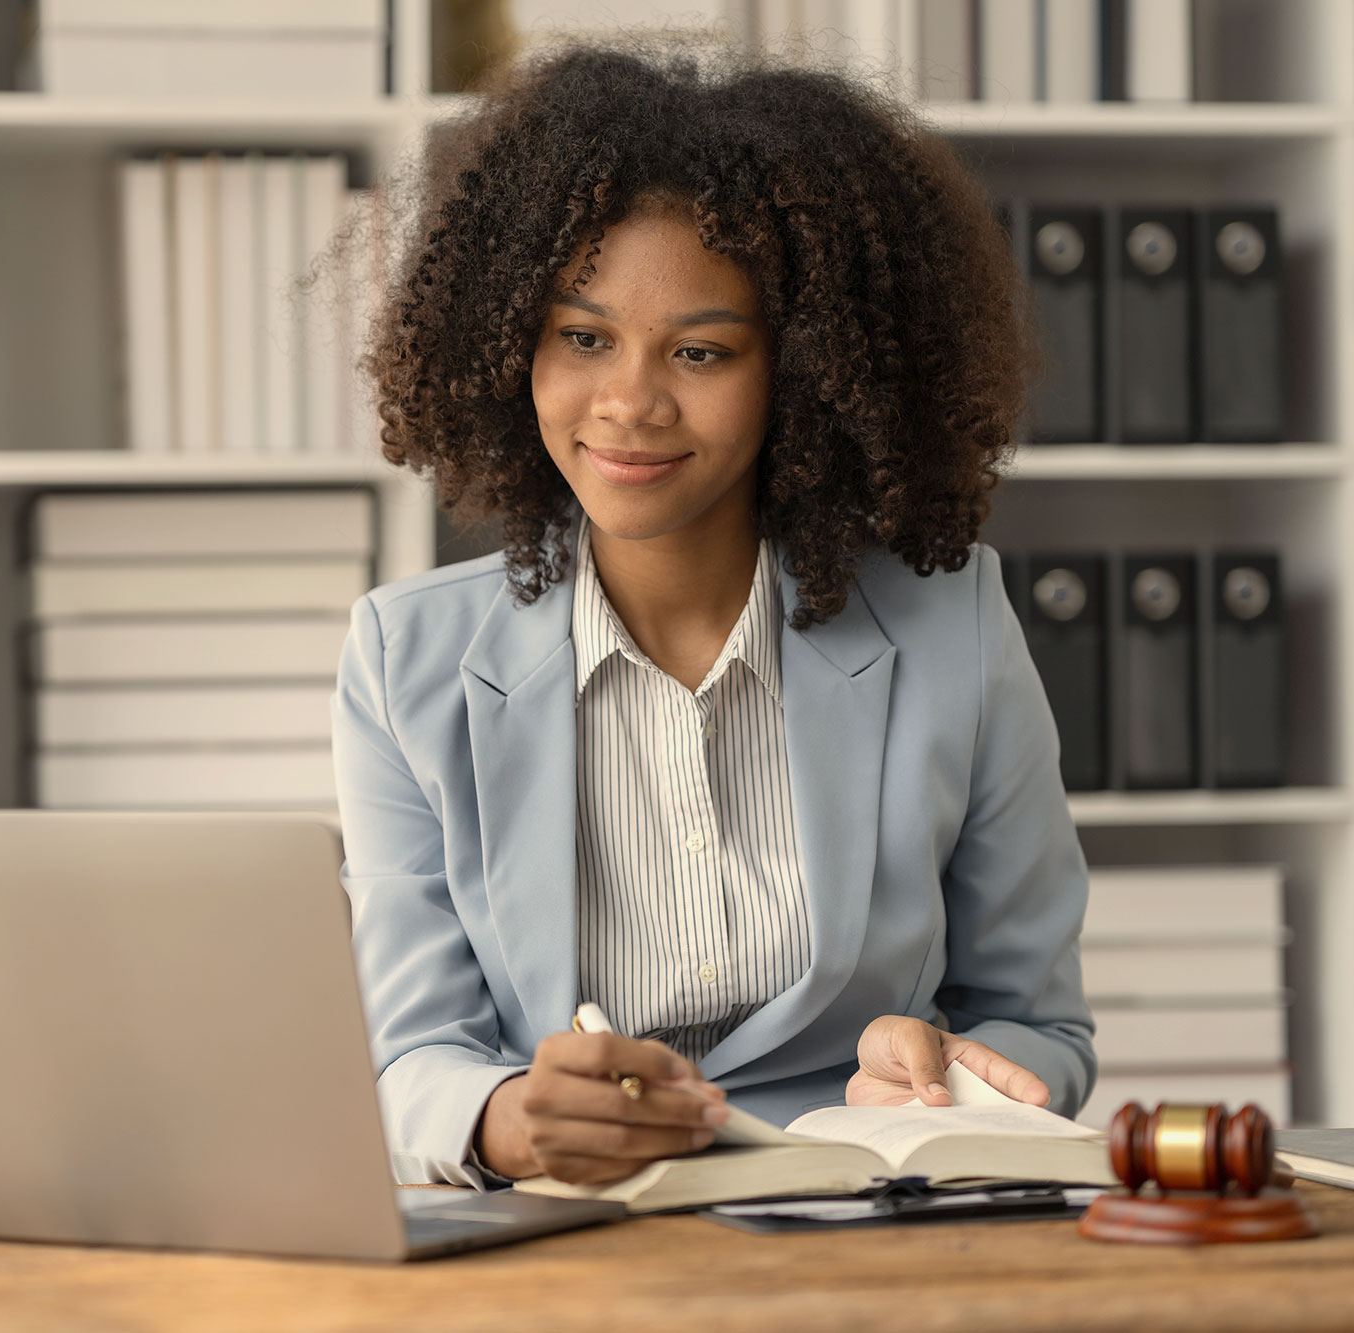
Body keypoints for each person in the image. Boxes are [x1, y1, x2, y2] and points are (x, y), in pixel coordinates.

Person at [329, 36, 1095, 1189]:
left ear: (803, 372)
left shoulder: (955, 629)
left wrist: (950, 1070)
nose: (628, 402)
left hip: (860, 1218)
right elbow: (410, 1056)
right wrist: (511, 1118)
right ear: (510, 347)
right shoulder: (406, 660)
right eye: (582, 338)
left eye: (699, 350)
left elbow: (1042, 1027)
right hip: (564, 1236)